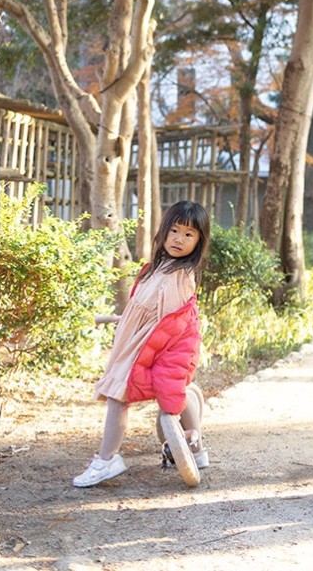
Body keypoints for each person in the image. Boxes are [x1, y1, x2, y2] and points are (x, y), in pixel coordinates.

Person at [73, 201, 211, 488]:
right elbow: (147, 311)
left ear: (198, 242)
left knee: (121, 395)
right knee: (160, 392)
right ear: (163, 231)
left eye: (188, 234)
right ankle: (196, 452)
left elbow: (171, 330)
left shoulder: (179, 277)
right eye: (174, 230)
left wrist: (153, 361)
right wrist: (123, 318)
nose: (178, 239)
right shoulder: (157, 268)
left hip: (153, 351)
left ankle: (107, 459)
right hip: (138, 346)